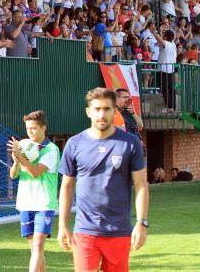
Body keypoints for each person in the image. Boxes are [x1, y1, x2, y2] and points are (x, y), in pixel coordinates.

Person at [57, 88, 149, 272]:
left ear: (115, 111)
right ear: (88, 111)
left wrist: (141, 223)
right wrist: (62, 225)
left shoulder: (131, 144)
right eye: (97, 109)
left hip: (119, 231)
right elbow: (67, 187)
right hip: (85, 230)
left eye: (107, 109)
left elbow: (141, 186)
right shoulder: (74, 144)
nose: (102, 114)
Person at [8, 111, 60, 272]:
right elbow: (13, 175)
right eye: (28, 128)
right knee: (35, 249)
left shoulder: (51, 149)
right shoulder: (25, 148)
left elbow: (35, 172)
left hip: (44, 204)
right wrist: (16, 161)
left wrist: (20, 156)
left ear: (43, 128)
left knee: (38, 245)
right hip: (25, 203)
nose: (30, 131)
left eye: (34, 128)